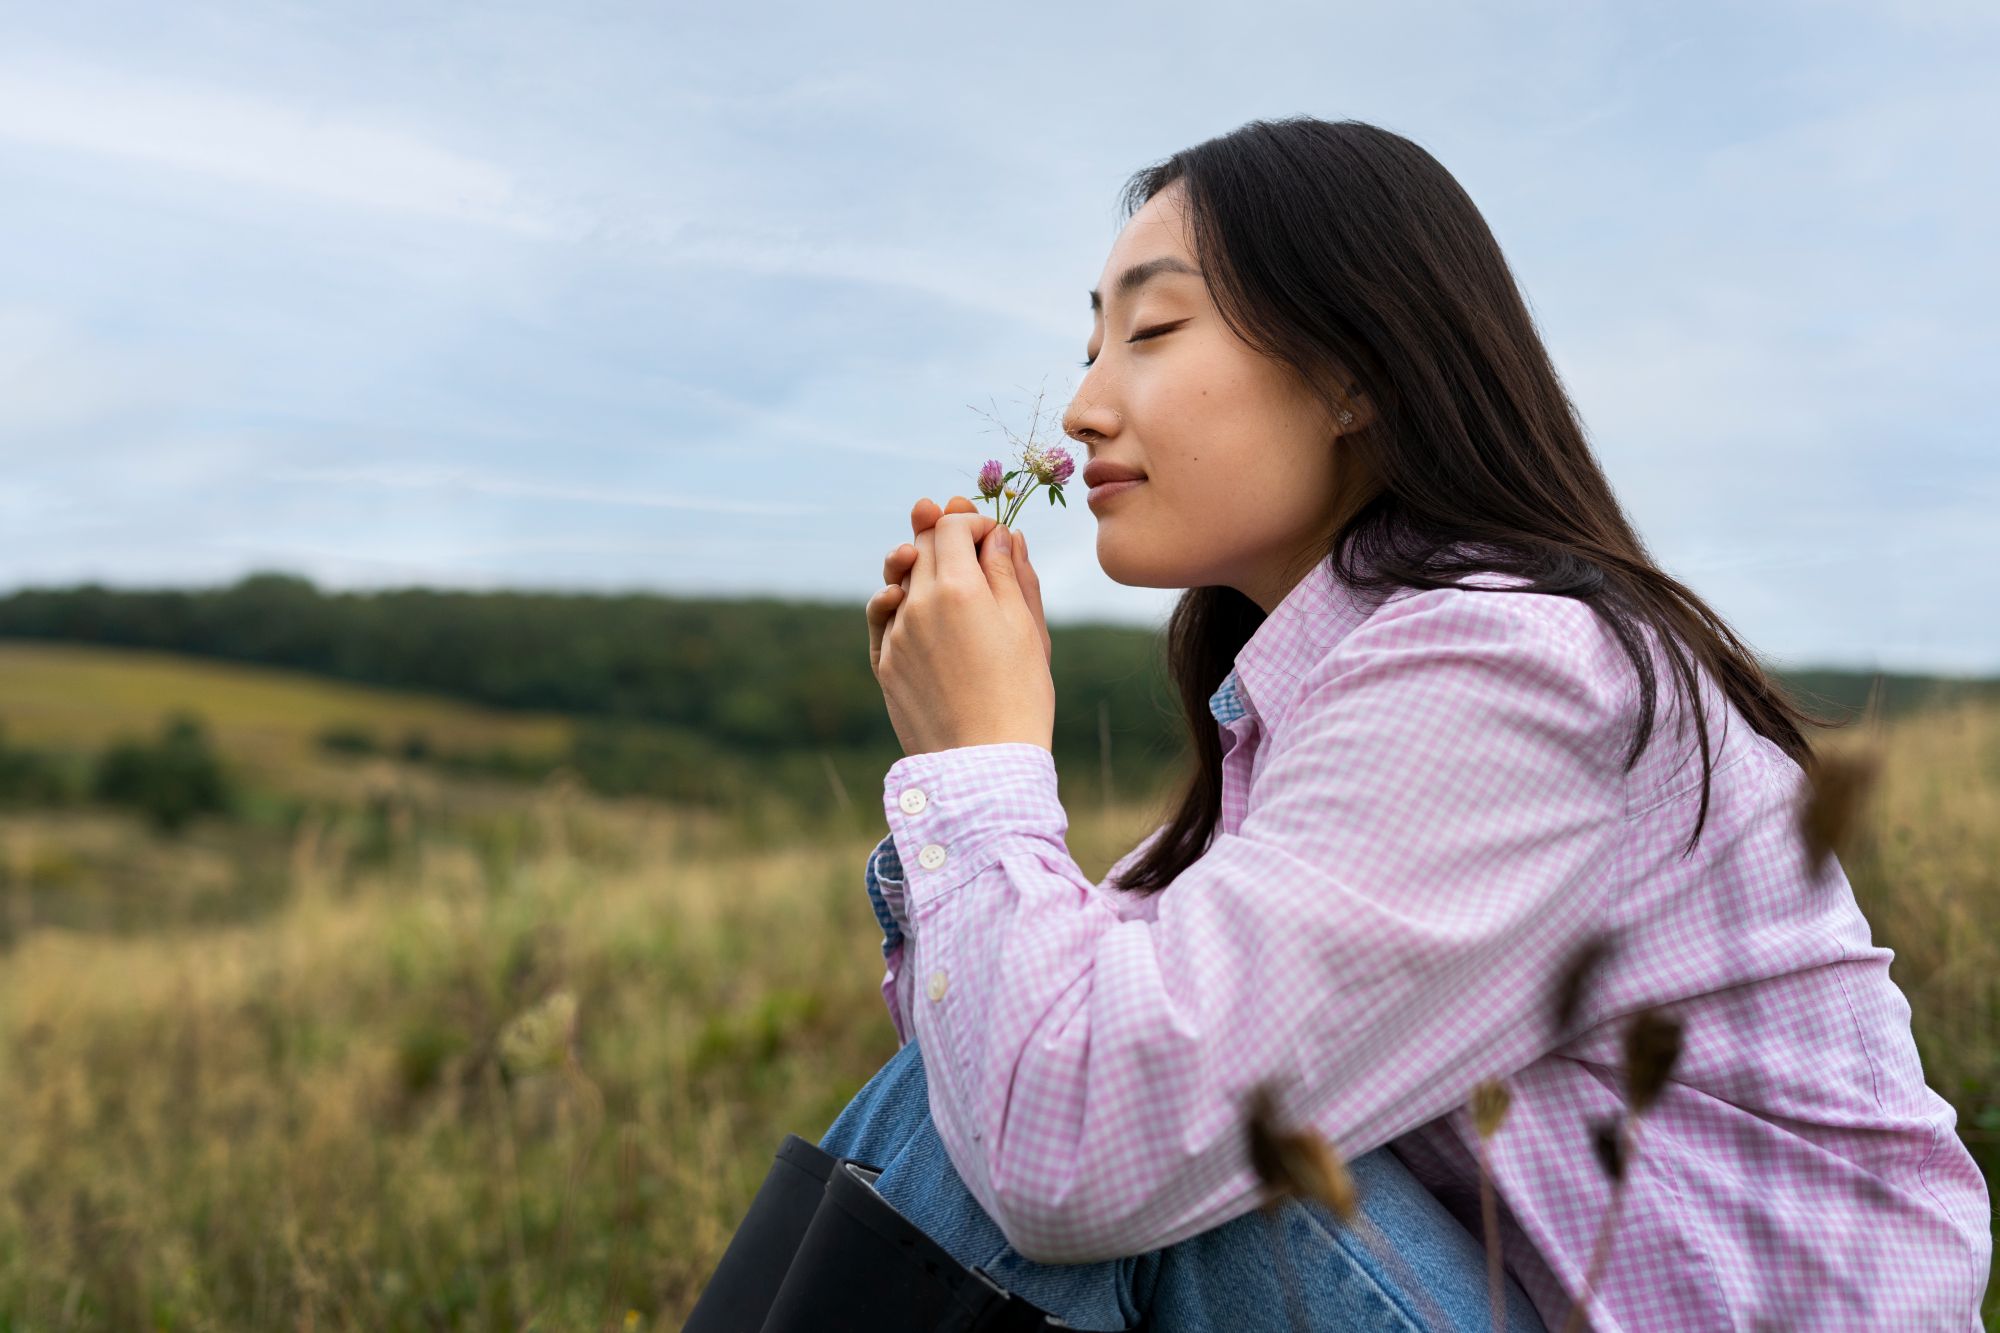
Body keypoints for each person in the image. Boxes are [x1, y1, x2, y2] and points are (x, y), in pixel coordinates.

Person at [793, 116, 1994, 1329]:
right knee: (990, 1091)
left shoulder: (1515, 672)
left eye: (1149, 332)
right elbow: (1019, 1054)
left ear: (1352, 371)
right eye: (1090, 345)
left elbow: (1057, 1134)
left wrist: (978, 760)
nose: (1084, 411)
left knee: (1009, 1132)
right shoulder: (1329, 690)